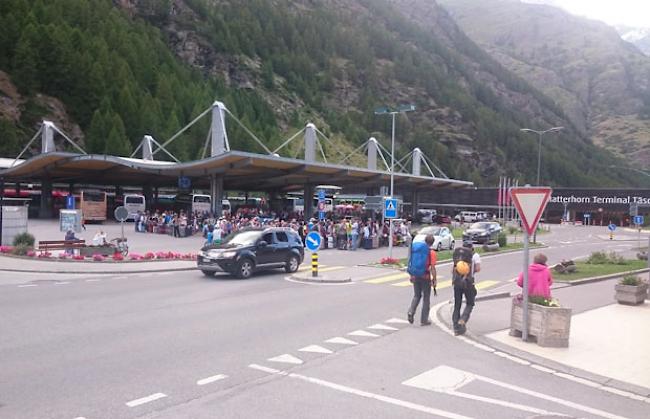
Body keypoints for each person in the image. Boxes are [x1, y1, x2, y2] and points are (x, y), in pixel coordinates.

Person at [451, 241, 481, 335]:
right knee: (470, 303)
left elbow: (453, 270)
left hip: (457, 282)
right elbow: (478, 269)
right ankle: (463, 320)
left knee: (457, 305)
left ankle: (456, 328)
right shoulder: (475, 255)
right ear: (472, 247)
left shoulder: (458, 255)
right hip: (468, 283)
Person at [407, 234, 437, 326]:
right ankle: (424, 320)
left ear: (425, 240)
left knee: (416, 295)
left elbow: (411, 261)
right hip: (425, 277)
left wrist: (412, 275)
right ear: (432, 243)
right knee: (426, 298)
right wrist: (434, 279)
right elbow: (432, 268)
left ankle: (411, 311)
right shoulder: (431, 252)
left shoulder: (417, 249)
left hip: (416, 275)